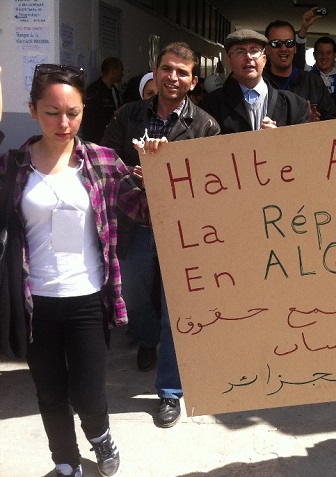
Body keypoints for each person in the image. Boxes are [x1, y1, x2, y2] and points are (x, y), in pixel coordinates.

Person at [0, 63, 149, 477]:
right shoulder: (11, 167)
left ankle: (100, 437)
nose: (64, 123)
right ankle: (65, 461)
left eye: (74, 112)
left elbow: (144, 211)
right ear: (32, 109)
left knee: (87, 392)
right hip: (34, 302)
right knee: (49, 392)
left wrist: (155, 173)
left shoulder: (101, 161)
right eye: (52, 112)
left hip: (87, 297)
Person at [101, 42, 220, 428]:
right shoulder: (128, 115)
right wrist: (135, 175)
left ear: (193, 80)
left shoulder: (205, 124)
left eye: (182, 72)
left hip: (182, 229)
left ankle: (170, 391)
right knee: (133, 297)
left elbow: (212, 181)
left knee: (177, 312)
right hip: (135, 223)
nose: (173, 77)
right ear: (156, 70)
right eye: (167, 69)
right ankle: (146, 337)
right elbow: (106, 162)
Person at [200, 29, 308, 134]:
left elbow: (302, 148)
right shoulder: (212, 104)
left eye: (254, 51)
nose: (248, 57)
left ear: (264, 60)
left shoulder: (295, 105)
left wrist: (278, 140)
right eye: (240, 52)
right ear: (229, 62)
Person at [263, 20, 336, 121]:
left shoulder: (314, 83)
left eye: (289, 43)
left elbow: (332, 121)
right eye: (277, 43)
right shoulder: (257, 83)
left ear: (295, 48)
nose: (284, 48)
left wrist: (315, 126)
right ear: (266, 49)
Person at [293, 9, 336, 94]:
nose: (324, 56)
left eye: (328, 53)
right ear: (314, 55)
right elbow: (298, 55)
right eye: (320, 52)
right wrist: (304, 28)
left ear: (334, 55)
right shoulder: (307, 74)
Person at [80, 57, 124, 143]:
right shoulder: (94, 91)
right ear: (114, 71)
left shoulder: (114, 90)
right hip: (97, 141)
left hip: (113, 139)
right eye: (121, 70)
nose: (123, 74)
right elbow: (89, 121)